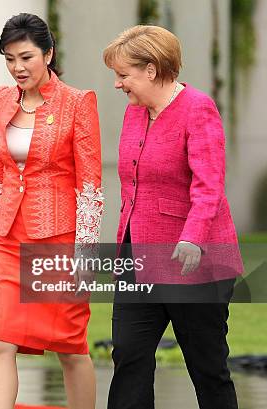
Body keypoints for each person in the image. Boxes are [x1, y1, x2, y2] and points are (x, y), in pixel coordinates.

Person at [103, 25, 243, 409]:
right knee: (129, 357)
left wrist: (192, 237)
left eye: (123, 75)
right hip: (139, 257)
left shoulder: (197, 108)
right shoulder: (136, 112)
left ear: (151, 69)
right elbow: (133, 189)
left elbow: (209, 183)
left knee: (207, 367)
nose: (118, 85)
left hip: (193, 261)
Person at [0, 13, 103, 409]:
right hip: (7, 237)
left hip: (57, 240)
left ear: (48, 53)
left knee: (70, 346)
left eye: (26, 57)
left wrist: (87, 253)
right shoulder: (0, 98)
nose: (17, 67)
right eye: (9, 58)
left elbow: (91, 186)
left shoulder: (79, 103)